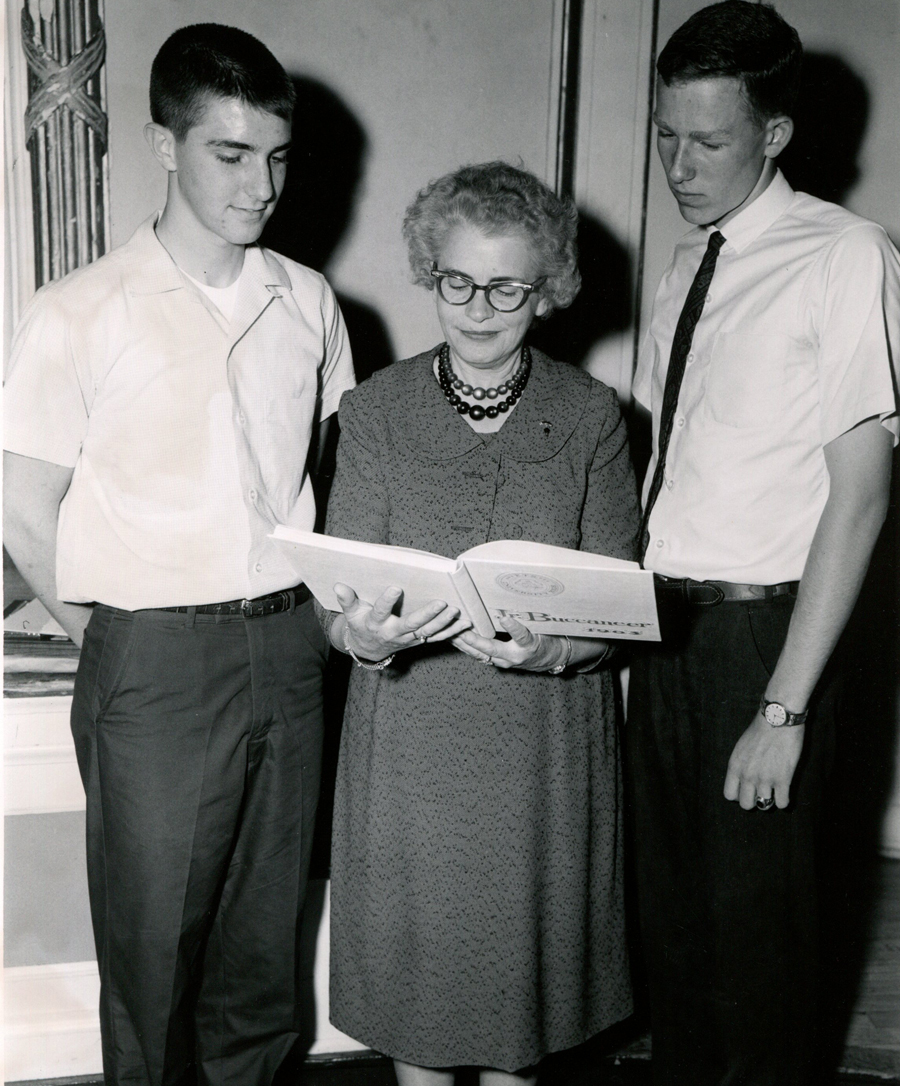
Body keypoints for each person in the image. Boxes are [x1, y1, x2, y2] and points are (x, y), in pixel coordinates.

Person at [3, 24, 355, 1086]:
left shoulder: (310, 301)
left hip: (288, 650)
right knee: (152, 964)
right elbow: (21, 508)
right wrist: (114, 636)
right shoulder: (78, 312)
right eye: (230, 154)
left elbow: (322, 476)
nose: (262, 186)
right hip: (151, 661)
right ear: (165, 144)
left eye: (277, 156)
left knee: (264, 960)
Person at [317, 162, 640, 1086]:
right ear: (431, 275)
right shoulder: (374, 411)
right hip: (410, 743)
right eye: (457, 281)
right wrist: (360, 637)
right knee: (416, 1007)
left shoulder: (591, 416)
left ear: (548, 290)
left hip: (544, 744)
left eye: (506, 287)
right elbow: (337, 601)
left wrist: (556, 648)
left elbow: (619, 604)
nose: (478, 308)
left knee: (519, 1017)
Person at [627, 4, 900, 1085]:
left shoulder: (845, 256)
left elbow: (861, 500)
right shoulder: (679, 270)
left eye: (708, 142)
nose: (678, 166)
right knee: (675, 948)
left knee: (761, 963)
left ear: (775, 134)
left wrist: (784, 709)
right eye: (665, 136)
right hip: (665, 637)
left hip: (766, 643)